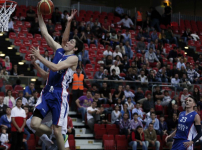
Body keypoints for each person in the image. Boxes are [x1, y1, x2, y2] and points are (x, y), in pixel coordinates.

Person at [29, 9, 82, 150]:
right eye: (69, 40)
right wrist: (40, 16)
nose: (68, 42)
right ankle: (53, 134)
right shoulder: (58, 49)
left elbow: (54, 67)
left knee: (59, 131)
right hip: (47, 92)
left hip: (59, 95)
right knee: (33, 124)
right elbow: (45, 32)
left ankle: (57, 136)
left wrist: (39, 58)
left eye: (71, 42)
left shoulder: (73, 58)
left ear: (75, 48)